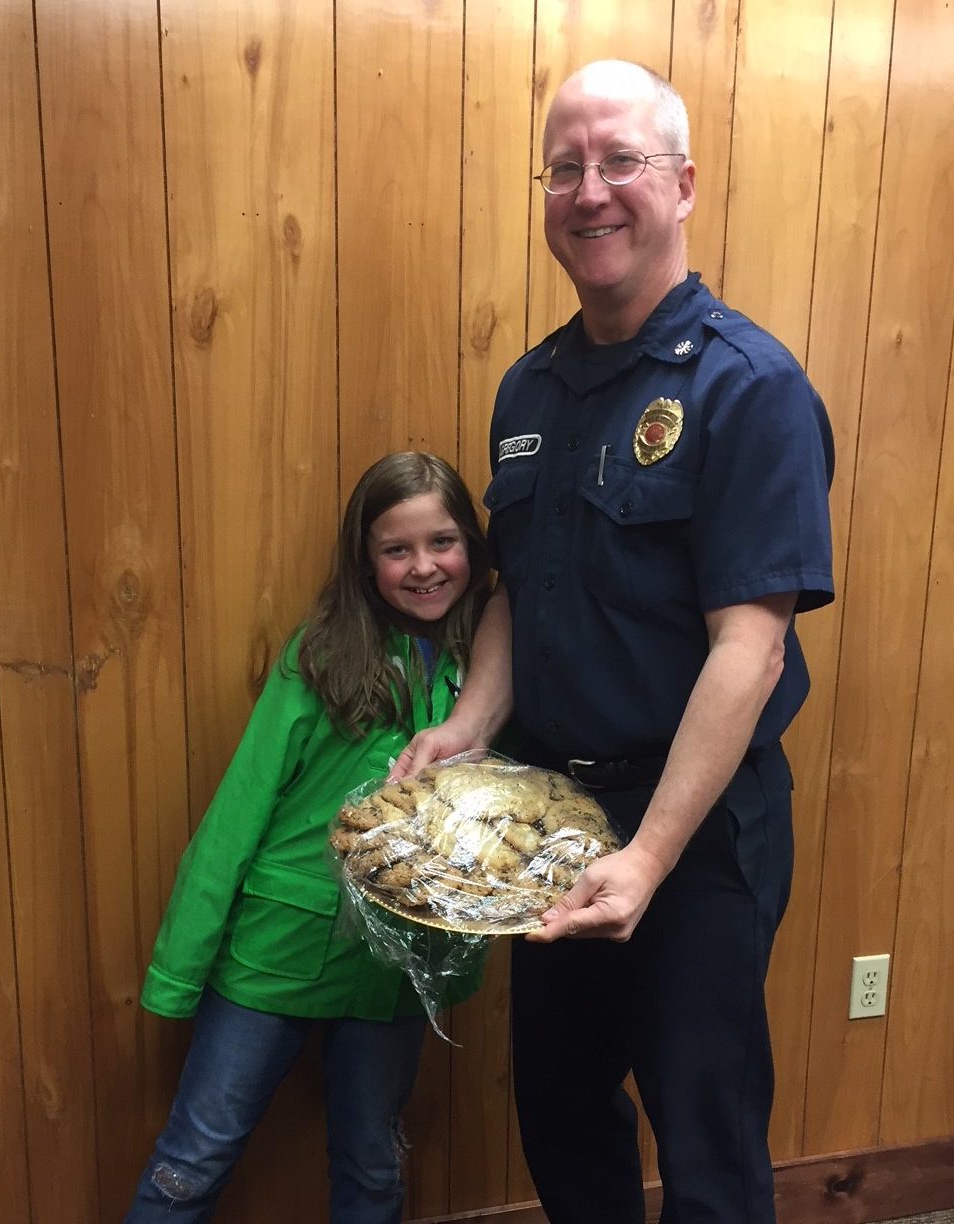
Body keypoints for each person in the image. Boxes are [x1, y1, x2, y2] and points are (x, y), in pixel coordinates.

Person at [391, 61, 835, 1223]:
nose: (591, 192)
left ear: (683, 184)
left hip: (697, 837)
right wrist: (468, 726)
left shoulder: (751, 387)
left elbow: (753, 650)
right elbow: (512, 596)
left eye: (621, 161)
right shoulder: (528, 390)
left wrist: (647, 859)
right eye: (566, 167)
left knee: (707, 1133)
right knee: (562, 1113)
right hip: (550, 817)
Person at [124, 451, 493, 1224]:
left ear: (474, 547)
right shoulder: (325, 653)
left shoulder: (490, 663)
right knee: (193, 1159)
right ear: (365, 560)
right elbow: (240, 810)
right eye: (397, 549)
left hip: (393, 965)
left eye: (442, 543)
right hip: (276, 951)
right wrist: (178, 968)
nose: (423, 567)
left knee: (373, 1166)